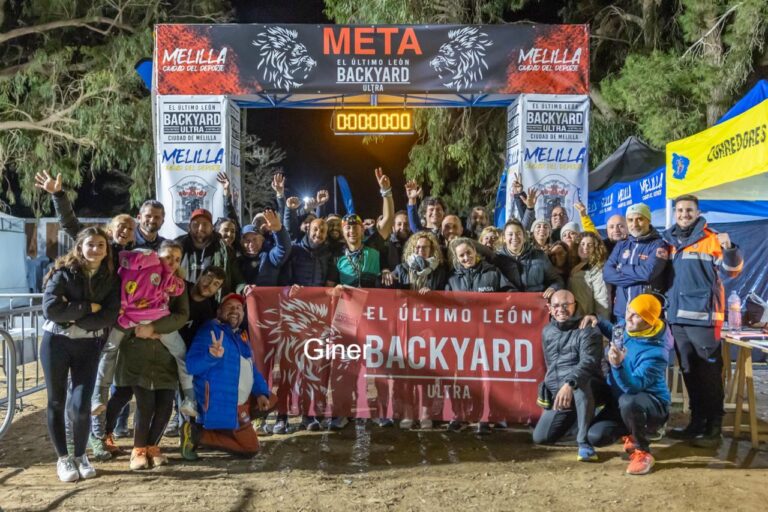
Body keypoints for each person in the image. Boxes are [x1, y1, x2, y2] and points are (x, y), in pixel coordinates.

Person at [663, 195, 743, 447]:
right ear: (675, 213)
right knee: (689, 372)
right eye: (680, 210)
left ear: (698, 212)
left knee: (708, 373)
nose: (684, 214)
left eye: (689, 210)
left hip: (704, 320)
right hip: (677, 319)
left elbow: (733, 271)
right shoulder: (669, 240)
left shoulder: (712, 239)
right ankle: (696, 422)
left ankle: (714, 426)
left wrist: (730, 248)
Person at [41, 227, 120, 482]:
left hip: (88, 344)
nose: (95, 249)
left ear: (107, 249)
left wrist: (76, 316)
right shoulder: (63, 272)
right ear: (80, 246)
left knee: (82, 403)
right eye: (90, 244)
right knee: (56, 400)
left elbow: (109, 314)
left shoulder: (110, 277)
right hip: (56, 342)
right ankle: (63, 458)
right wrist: (88, 307)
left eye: (101, 245)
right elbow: (52, 310)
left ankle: (80, 455)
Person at [91, 241, 195, 419]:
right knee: (109, 351)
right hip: (130, 320)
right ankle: (98, 397)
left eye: (177, 259)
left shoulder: (171, 278)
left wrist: (154, 329)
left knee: (181, 354)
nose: (172, 262)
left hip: (150, 321)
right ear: (156, 256)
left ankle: (190, 399)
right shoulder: (140, 270)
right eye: (168, 257)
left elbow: (180, 303)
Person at [110, 257, 190, 470]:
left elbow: (181, 316)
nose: (169, 264)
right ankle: (138, 450)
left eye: (174, 258)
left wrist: (155, 329)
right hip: (138, 357)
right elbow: (126, 317)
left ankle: (153, 446)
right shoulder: (135, 283)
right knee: (145, 405)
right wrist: (140, 332)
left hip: (165, 357)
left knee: (164, 406)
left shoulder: (179, 287)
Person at [181, 293, 273, 460]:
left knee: (271, 398)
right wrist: (211, 356)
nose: (234, 310)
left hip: (238, 400)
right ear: (219, 312)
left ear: (243, 314)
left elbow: (251, 368)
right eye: (229, 307)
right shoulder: (210, 330)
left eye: (238, 308)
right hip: (222, 402)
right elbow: (191, 366)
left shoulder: (240, 335)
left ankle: (229, 428)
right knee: (251, 448)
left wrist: (261, 392)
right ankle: (198, 433)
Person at [587, 294, 671, 475]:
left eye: (635, 315)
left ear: (649, 320)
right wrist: (598, 321)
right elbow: (616, 332)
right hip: (619, 401)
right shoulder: (628, 327)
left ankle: (643, 451)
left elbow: (633, 388)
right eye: (628, 311)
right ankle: (631, 428)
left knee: (629, 401)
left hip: (650, 404)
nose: (627, 318)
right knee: (596, 436)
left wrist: (617, 365)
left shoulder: (656, 353)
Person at [445, 237, 512, 435]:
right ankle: (460, 415)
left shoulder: (493, 272)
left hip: (489, 334)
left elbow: (512, 294)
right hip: (462, 337)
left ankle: (485, 416)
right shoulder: (452, 279)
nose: (466, 258)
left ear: (476, 251)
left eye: (469, 253)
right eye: (461, 255)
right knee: (462, 377)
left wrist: (499, 305)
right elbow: (443, 306)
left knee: (487, 377)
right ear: (457, 258)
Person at [532, 290, 603, 462]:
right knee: (541, 438)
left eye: (566, 305)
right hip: (561, 392)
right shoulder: (547, 331)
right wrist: (548, 387)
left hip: (585, 387)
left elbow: (589, 363)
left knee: (580, 384)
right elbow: (551, 365)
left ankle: (584, 443)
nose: (561, 309)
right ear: (549, 308)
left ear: (575, 305)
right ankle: (576, 423)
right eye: (556, 306)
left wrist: (569, 383)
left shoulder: (588, 329)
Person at [388, 232, 446, 429]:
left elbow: (447, 293)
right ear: (413, 248)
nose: (421, 250)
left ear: (432, 250)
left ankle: (425, 414)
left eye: (426, 248)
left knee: (427, 373)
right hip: (405, 326)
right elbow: (389, 290)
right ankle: (407, 413)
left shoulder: (439, 270)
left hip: (429, 328)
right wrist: (387, 278)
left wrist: (434, 295)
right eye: (418, 247)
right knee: (405, 373)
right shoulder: (402, 268)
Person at [603, 203, 669, 324]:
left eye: (640, 219)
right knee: (620, 343)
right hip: (622, 314)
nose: (634, 224)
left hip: (646, 314)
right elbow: (607, 274)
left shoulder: (659, 245)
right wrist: (639, 278)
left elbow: (648, 274)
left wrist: (621, 267)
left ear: (648, 220)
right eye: (630, 220)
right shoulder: (621, 245)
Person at [177, 208, 241, 298]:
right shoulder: (178, 247)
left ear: (212, 228)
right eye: (196, 224)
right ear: (189, 227)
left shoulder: (224, 249)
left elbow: (237, 277)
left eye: (205, 224)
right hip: (184, 302)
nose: (200, 228)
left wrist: (244, 289)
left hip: (214, 305)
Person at [494, 219, 563, 299]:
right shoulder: (497, 259)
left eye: (518, 234)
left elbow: (557, 280)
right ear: (504, 238)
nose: (514, 237)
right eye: (510, 234)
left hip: (535, 306)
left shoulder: (539, 256)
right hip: (509, 307)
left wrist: (553, 287)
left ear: (524, 237)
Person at [238, 209, 291, 287]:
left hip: (268, 297)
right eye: (247, 241)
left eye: (255, 239)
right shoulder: (238, 260)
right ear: (242, 243)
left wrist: (279, 230)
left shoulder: (269, 255)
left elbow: (283, 249)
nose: (251, 244)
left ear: (262, 240)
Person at [568, 232, 612, 322]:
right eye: (582, 244)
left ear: (595, 248)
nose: (585, 247)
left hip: (589, 320)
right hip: (574, 318)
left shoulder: (598, 270)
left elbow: (603, 301)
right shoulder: (574, 266)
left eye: (590, 245)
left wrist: (602, 324)